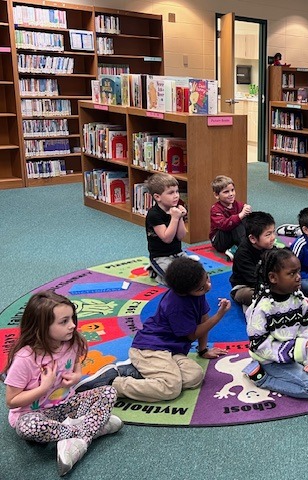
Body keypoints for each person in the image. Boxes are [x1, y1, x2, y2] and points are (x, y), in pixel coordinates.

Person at [75, 257, 230, 402]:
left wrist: (203, 350)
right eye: (201, 287)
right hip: (150, 348)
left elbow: (203, 318)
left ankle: (137, 372)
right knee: (171, 388)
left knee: (194, 377)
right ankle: (112, 383)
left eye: (207, 278)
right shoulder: (177, 305)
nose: (208, 287)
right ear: (183, 292)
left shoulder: (196, 292)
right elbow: (192, 335)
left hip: (172, 350)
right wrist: (220, 315)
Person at [3, 291, 122, 476]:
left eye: (72, 318)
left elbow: (76, 366)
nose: (72, 325)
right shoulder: (24, 359)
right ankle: (92, 430)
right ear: (41, 327)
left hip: (66, 405)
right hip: (34, 414)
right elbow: (11, 401)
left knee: (108, 393)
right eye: (64, 321)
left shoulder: (72, 342)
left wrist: (77, 377)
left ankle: (76, 438)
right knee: (29, 427)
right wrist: (44, 387)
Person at [243, 249, 308, 399]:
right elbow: (259, 345)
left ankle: (299, 366)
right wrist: (298, 351)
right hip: (271, 359)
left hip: (297, 352)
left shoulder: (298, 299)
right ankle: (262, 378)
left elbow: (307, 328)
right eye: (291, 274)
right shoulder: (261, 308)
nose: (298, 278)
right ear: (273, 278)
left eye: (299, 272)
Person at [145, 172, 189, 285]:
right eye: (170, 193)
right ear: (157, 197)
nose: (176, 196)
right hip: (160, 257)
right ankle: (154, 272)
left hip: (178, 254)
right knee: (177, 282)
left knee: (197, 275)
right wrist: (175, 218)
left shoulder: (175, 209)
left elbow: (181, 236)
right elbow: (167, 238)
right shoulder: (154, 214)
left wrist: (180, 218)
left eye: (177, 191)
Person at [229, 211, 276, 306]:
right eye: (268, 234)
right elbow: (253, 279)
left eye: (273, 232)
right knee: (259, 297)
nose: (273, 237)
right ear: (253, 239)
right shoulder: (243, 254)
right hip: (244, 286)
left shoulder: (268, 247)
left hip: (267, 283)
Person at [209, 175, 251, 260]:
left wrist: (247, 210)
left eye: (232, 190)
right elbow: (224, 225)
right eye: (226, 192)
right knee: (236, 222)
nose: (231, 194)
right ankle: (245, 249)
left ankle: (241, 247)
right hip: (220, 241)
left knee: (246, 220)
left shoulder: (238, 205)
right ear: (217, 195)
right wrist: (240, 216)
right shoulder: (215, 209)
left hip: (234, 238)